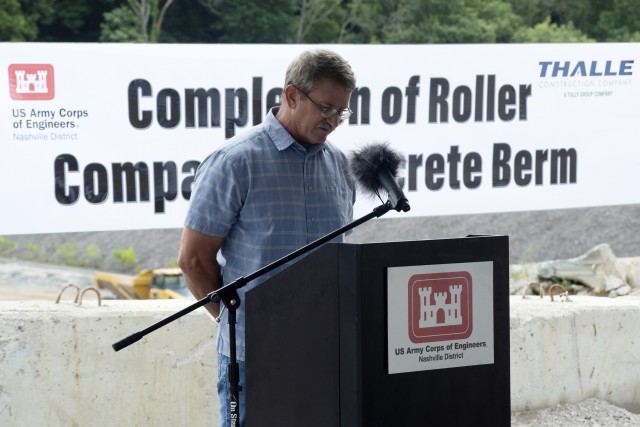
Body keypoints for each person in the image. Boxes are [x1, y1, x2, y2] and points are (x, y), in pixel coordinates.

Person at [177, 48, 357, 427]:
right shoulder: (235, 161)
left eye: (341, 112)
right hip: (253, 358)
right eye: (326, 108)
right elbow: (194, 261)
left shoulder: (340, 165)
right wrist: (231, 319)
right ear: (291, 95)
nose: (334, 121)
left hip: (325, 354)